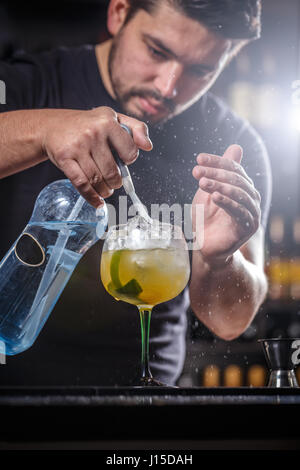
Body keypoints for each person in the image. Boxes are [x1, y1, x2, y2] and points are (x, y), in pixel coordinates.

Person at [0, 0, 272, 386]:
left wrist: (220, 260)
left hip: (148, 409)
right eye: (157, 51)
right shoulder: (29, 84)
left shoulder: (234, 144)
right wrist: (45, 130)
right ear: (118, 13)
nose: (168, 86)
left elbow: (230, 323)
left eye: (200, 70)